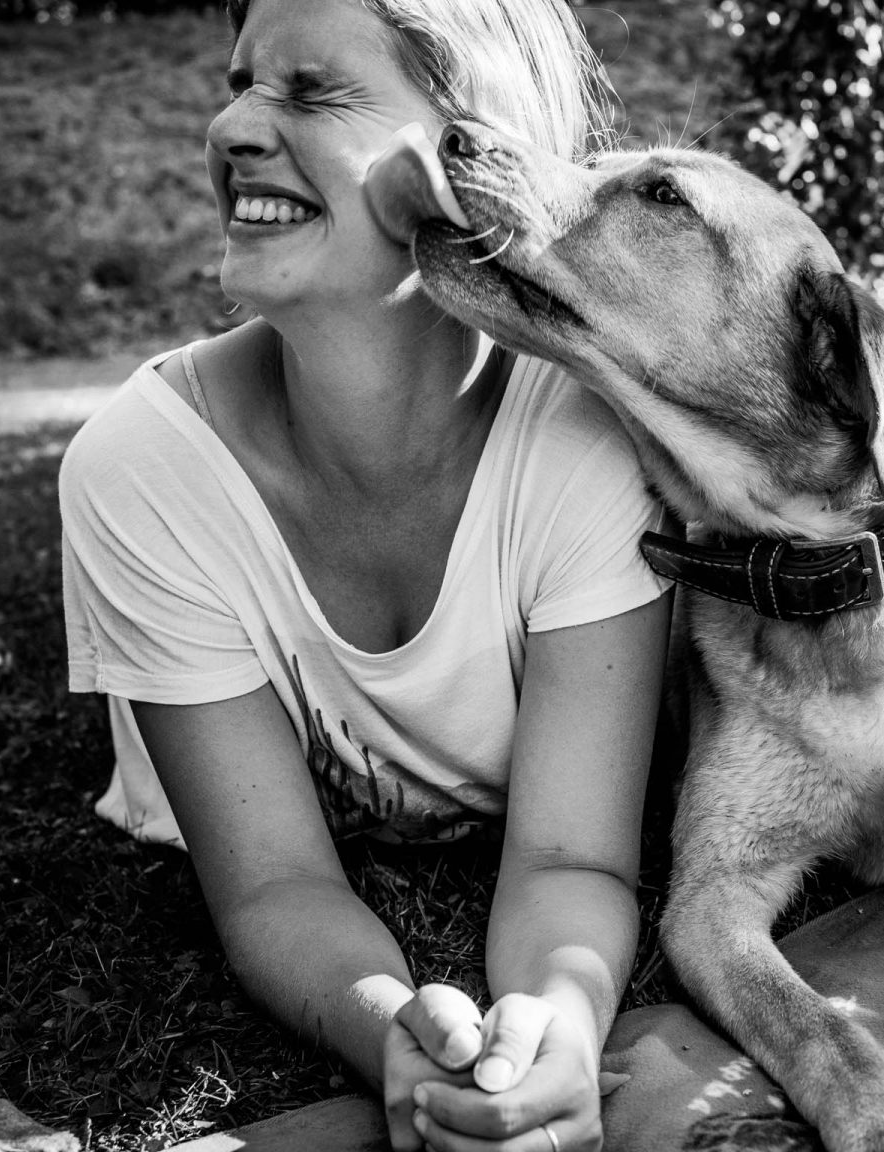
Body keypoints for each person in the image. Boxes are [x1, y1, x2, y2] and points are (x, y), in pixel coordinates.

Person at [57, 1, 671, 1150]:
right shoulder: (141, 469)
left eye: (312, 90)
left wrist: (560, 1029)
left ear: (474, 149)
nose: (233, 123)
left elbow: (571, 856)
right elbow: (275, 886)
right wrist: (393, 1030)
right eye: (239, 81)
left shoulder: (586, 438)